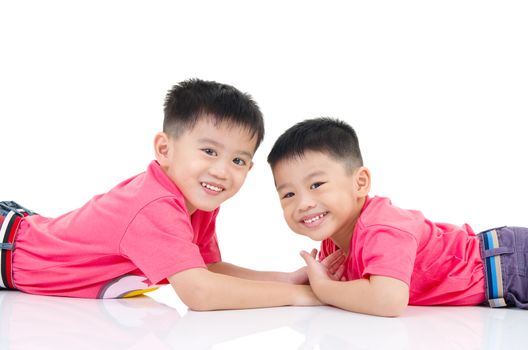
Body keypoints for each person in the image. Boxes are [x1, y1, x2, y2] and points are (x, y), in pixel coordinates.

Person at [0, 79, 339, 310]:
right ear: (165, 148)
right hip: (9, 247)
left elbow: (207, 269)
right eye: (209, 151)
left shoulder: (196, 202)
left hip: (20, 235)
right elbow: (199, 292)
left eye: (237, 160)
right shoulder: (155, 205)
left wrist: (288, 278)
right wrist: (302, 296)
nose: (222, 171)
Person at [266, 117, 528, 317]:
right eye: (288, 194)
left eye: (316, 185)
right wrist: (319, 279)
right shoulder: (334, 240)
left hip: (511, 262)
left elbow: (388, 298)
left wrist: (324, 288)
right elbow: (355, 293)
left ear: (360, 183)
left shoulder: (380, 226)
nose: (303, 204)